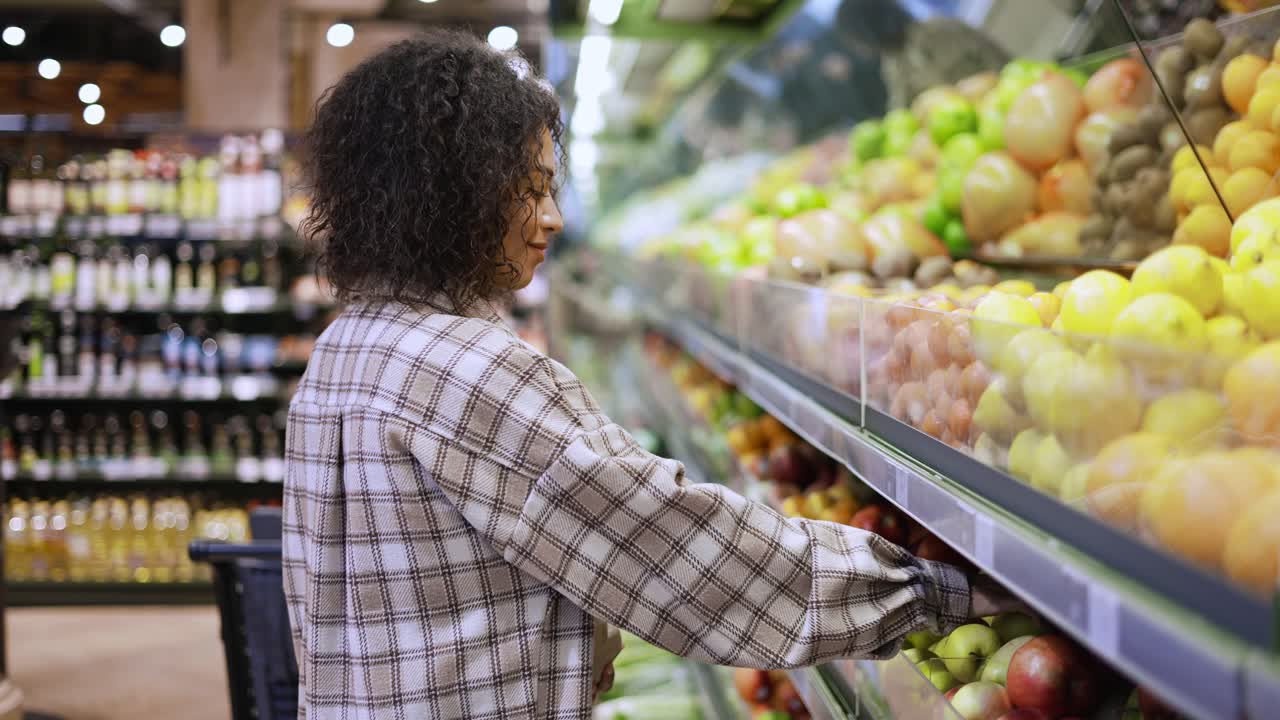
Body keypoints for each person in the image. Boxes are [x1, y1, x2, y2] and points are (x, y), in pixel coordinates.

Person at [284, 29, 1013, 720]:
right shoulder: (472, 372)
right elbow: (688, 560)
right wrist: (934, 591)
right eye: (530, 189)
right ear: (453, 196)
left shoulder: (346, 350)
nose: (555, 218)